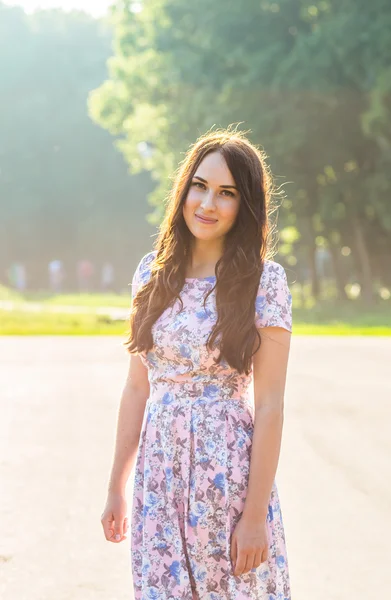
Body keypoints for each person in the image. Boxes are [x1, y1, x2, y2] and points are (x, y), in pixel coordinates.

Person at [101, 129, 293, 599]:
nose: (207, 203)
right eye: (200, 186)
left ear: (244, 204)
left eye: (226, 193)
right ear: (183, 188)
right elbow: (137, 389)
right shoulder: (151, 272)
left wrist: (253, 518)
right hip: (158, 474)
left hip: (226, 475)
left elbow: (270, 405)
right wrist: (116, 487)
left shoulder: (264, 281)